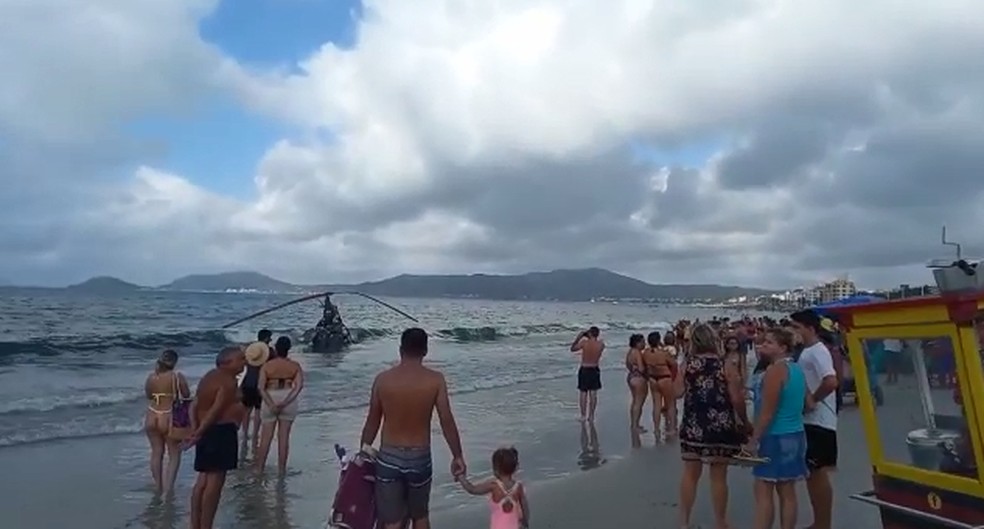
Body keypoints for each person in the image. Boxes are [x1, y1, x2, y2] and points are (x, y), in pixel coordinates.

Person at [360, 327, 466, 529]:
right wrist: (457, 455)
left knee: (392, 520)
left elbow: (372, 420)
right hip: (420, 457)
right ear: (425, 351)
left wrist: (363, 451)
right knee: (420, 515)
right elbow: (446, 420)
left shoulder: (383, 380)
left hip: (389, 456)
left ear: (400, 350)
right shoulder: (435, 380)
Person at [678, 323, 747, 529]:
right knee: (718, 476)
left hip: (693, 424)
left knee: (690, 474)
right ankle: (720, 522)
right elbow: (736, 397)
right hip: (720, 424)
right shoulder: (725, 364)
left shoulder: (686, 365)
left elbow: (676, 392)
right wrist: (744, 421)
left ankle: (683, 522)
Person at [746, 328, 810, 529]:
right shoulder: (797, 370)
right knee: (787, 491)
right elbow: (809, 403)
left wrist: (754, 440)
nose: (763, 345)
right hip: (796, 434)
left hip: (775, 436)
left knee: (763, 490)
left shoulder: (775, 371)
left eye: (769, 343)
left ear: (783, 348)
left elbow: (767, 412)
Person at [789, 310, 839, 529]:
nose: (794, 332)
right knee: (812, 473)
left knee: (817, 474)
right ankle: (819, 521)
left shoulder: (817, 351)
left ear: (810, 328)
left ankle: (823, 523)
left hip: (819, 420)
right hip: (811, 421)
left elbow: (831, 381)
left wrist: (812, 400)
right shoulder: (808, 351)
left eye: (797, 327)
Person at [189, 346, 246, 529]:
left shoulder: (209, 376)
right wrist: (197, 433)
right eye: (240, 359)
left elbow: (194, 405)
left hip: (209, 430)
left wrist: (196, 428)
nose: (244, 362)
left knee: (203, 480)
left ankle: (194, 525)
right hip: (220, 431)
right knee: (215, 482)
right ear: (226, 362)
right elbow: (216, 409)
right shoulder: (227, 381)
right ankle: (206, 526)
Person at [143, 349, 190, 495]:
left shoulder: (152, 377)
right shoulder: (177, 377)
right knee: (174, 454)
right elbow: (186, 395)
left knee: (156, 452)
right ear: (175, 362)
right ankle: (168, 489)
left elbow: (149, 395)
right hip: (169, 417)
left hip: (152, 415)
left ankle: (158, 486)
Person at [255, 336, 304, 474]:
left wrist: (271, 403)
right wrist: (285, 402)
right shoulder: (295, 366)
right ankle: (282, 470)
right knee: (284, 438)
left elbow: (261, 387)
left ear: (276, 349)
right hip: (287, 396)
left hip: (271, 395)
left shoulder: (267, 366)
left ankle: (259, 469)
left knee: (266, 437)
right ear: (289, 349)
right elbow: (298, 387)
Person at [456, 447, 530, 529]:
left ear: (496, 469)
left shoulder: (494, 486)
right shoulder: (518, 486)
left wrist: (460, 477)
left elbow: (472, 489)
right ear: (515, 468)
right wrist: (525, 522)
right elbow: (525, 507)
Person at [241, 329, 273, 453]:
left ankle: (244, 434)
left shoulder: (251, 350)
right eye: (269, 338)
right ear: (266, 339)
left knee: (247, 410)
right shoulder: (269, 352)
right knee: (258, 410)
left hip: (247, 382)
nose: (270, 340)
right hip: (260, 384)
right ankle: (255, 434)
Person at [643, 331, 678, 438]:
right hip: (664, 378)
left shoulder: (646, 353)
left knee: (656, 405)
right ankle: (671, 428)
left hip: (653, 379)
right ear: (659, 341)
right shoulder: (663, 353)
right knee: (670, 405)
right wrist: (672, 377)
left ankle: (656, 428)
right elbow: (674, 365)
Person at [570, 327, 605, 422]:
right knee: (593, 393)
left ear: (589, 334)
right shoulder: (601, 344)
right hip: (594, 368)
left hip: (585, 368)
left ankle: (583, 415)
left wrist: (579, 337)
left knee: (583, 392)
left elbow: (572, 349)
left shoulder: (584, 343)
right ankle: (591, 415)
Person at [625, 334, 649, 433]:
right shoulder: (637, 353)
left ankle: (634, 424)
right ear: (637, 343)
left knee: (634, 402)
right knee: (639, 403)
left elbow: (628, 365)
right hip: (639, 378)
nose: (644, 344)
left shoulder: (630, 352)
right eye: (643, 342)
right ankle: (636, 426)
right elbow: (641, 368)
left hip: (631, 376)